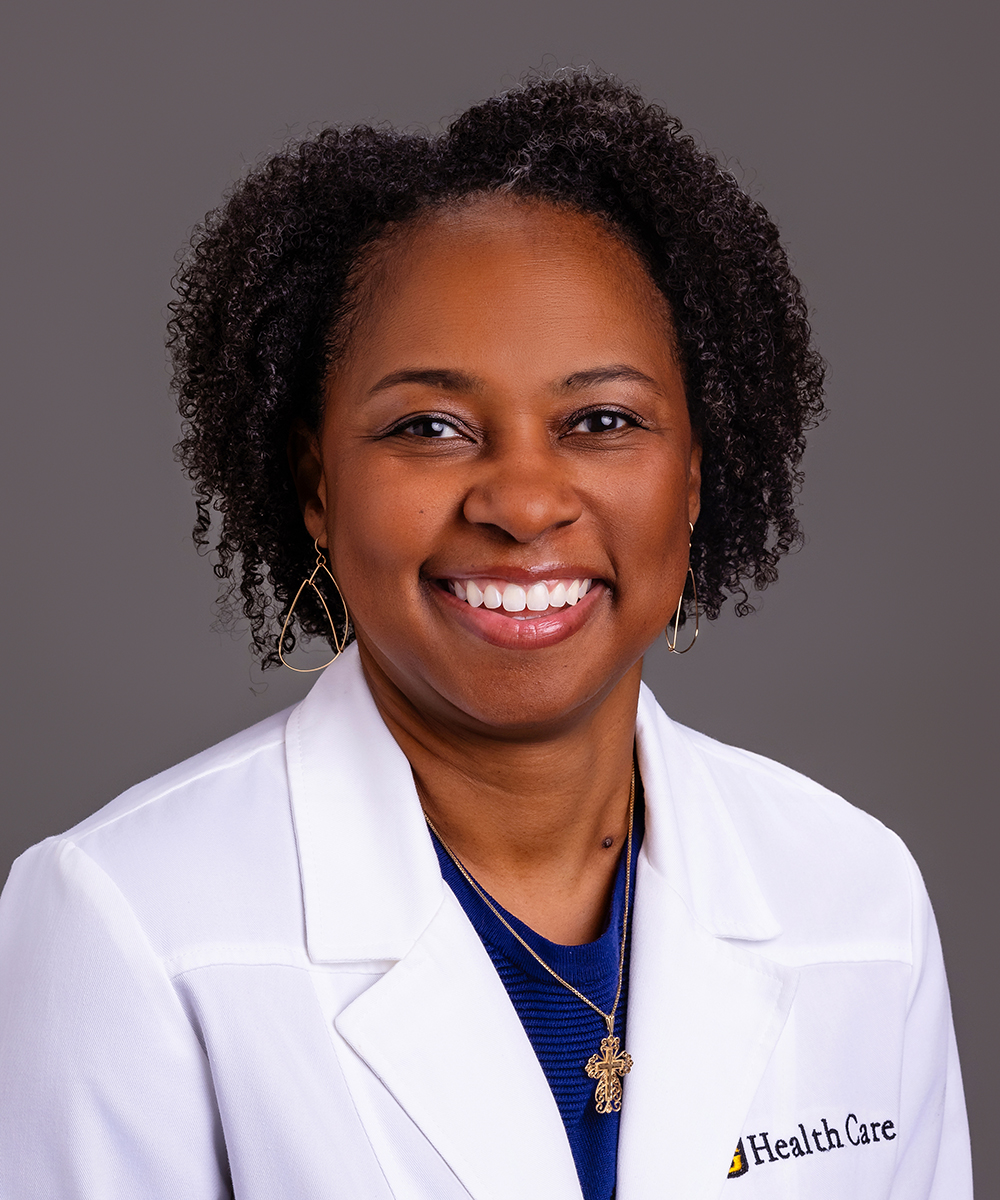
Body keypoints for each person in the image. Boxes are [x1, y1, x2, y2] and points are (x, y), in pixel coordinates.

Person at [0, 72, 972, 1199]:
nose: (522, 501)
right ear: (318, 486)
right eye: (430, 426)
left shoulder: (856, 898)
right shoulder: (127, 921)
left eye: (600, 420)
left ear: (695, 477)